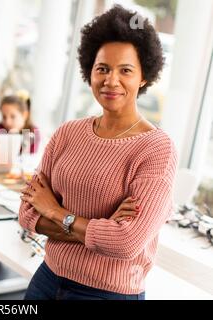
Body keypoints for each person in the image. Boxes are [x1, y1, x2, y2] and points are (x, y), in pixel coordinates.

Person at [19, 5, 177, 300]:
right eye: (102, 68)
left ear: (144, 76)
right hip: (47, 278)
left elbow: (126, 242)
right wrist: (100, 229)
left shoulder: (157, 148)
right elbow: (27, 213)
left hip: (107, 294)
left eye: (125, 70)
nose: (111, 80)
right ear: (89, 72)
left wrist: (56, 211)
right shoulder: (68, 133)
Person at [0, 90, 40, 154]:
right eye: (4, 117)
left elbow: (29, 156)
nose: (7, 122)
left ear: (25, 115)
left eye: (13, 117)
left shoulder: (33, 132)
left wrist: (15, 138)